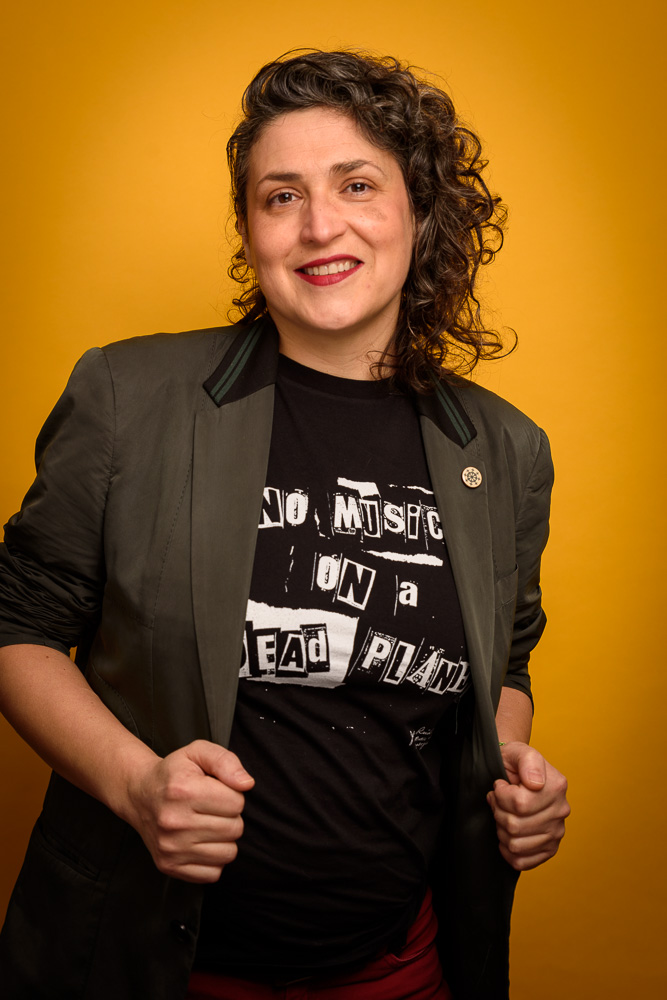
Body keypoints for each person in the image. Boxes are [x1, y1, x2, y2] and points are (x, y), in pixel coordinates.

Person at [0, 49, 569, 1000]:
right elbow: (16, 623)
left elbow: (503, 663)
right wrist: (137, 785)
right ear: (249, 229)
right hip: (147, 963)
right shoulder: (128, 395)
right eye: (280, 196)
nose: (319, 226)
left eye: (357, 185)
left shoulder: (506, 449)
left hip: (402, 968)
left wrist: (511, 770)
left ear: (420, 212)